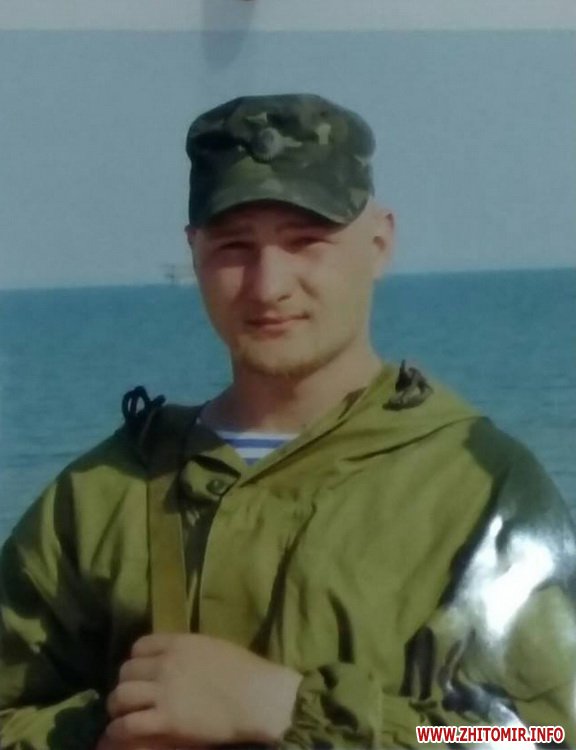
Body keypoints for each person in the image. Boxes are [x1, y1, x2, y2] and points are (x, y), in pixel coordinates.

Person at [1, 93, 575, 750]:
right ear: (194, 251)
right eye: (234, 246)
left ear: (380, 242)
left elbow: (547, 734)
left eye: (306, 242)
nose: (268, 284)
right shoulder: (103, 496)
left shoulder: (480, 489)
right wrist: (117, 728)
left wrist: (287, 710)